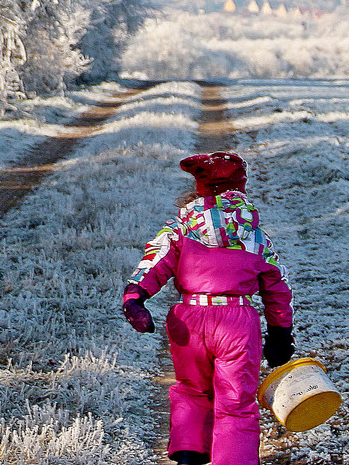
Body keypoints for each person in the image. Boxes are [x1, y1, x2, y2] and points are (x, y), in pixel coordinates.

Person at [121, 151, 295, 465]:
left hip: (190, 319)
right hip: (236, 322)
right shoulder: (255, 237)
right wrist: (280, 331)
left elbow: (153, 264)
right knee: (236, 401)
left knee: (191, 390)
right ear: (240, 188)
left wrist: (135, 298)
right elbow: (276, 287)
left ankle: (189, 456)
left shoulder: (178, 231)